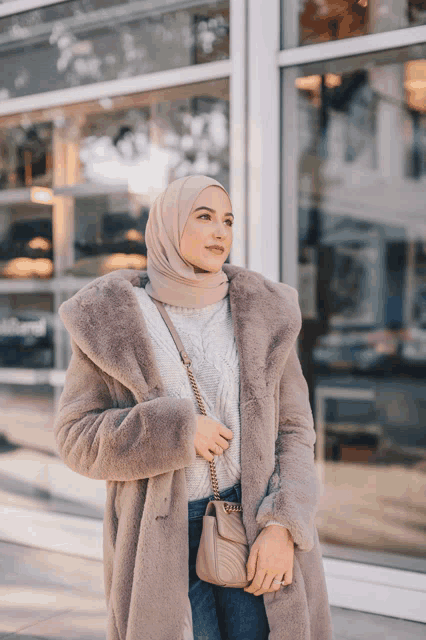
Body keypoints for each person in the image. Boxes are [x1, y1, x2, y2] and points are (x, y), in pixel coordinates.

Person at [54, 174, 333, 640]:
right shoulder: (112, 319)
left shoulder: (264, 312)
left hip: (254, 521)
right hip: (160, 538)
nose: (220, 231)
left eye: (227, 219)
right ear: (167, 225)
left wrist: (284, 524)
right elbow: (75, 438)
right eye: (203, 217)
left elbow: (294, 430)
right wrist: (175, 432)